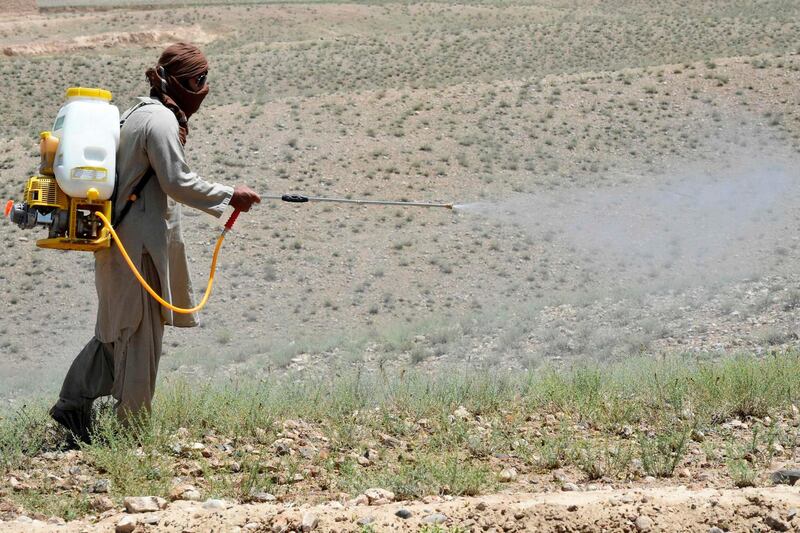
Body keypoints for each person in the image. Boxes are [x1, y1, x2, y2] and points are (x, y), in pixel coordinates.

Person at [49, 42, 261, 445]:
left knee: (114, 334)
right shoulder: (160, 121)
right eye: (200, 81)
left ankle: (72, 405)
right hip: (138, 251)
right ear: (183, 83)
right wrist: (231, 194)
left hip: (117, 244)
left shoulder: (135, 114)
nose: (204, 90)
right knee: (140, 339)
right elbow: (177, 181)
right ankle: (131, 438)